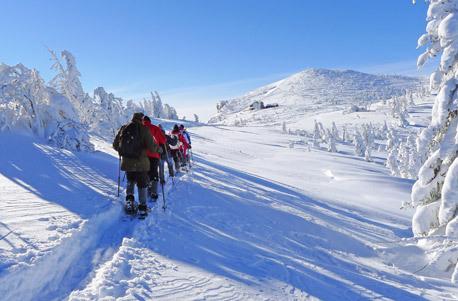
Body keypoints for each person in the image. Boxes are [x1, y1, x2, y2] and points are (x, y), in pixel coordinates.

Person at [113, 112, 160, 216]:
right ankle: (142, 208)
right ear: (141, 119)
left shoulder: (124, 128)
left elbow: (115, 145)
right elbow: (152, 148)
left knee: (130, 180)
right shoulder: (144, 130)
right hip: (141, 163)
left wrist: (125, 152)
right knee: (142, 184)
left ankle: (129, 201)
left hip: (127, 162)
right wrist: (159, 149)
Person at [142, 116, 166, 200]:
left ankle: (147, 187)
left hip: (142, 155)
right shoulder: (155, 128)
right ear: (150, 121)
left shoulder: (140, 128)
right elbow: (163, 140)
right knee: (154, 172)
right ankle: (154, 192)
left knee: (145, 172)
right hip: (154, 154)